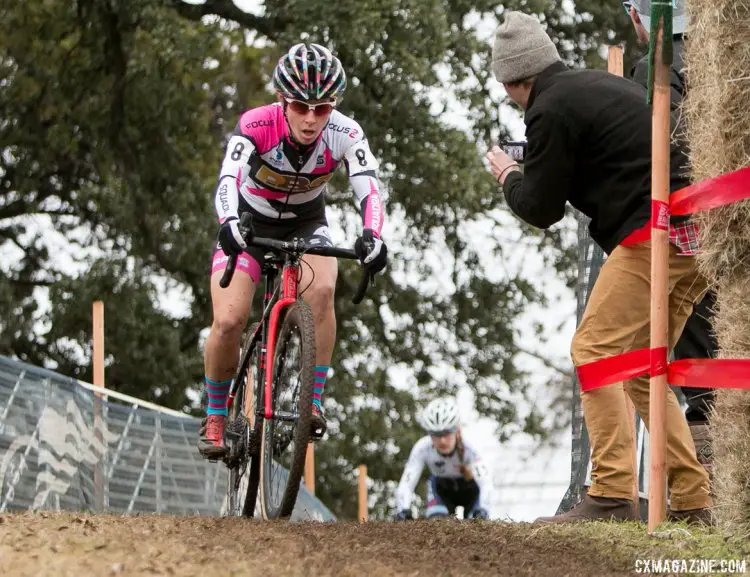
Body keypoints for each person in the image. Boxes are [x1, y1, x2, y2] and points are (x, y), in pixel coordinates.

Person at [485, 11, 712, 524]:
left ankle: (610, 492)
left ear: (510, 82)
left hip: (656, 229)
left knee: (594, 349)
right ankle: (695, 500)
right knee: (636, 364)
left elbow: (540, 209)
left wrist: (509, 175)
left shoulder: (549, 110)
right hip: (700, 233)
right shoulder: (592, 87)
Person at [198, 43, 388, 459]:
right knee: (229, 319)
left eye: (321, 108)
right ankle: (215, 413)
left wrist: (373, 234)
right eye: (300, 106)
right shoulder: (256, 123)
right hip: (249, 221)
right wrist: (228, 223)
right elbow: (227, 179)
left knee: (321, 291)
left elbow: (369, 186)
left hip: (306, 223)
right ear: (283, 100)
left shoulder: (345, 132)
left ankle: (312, 400)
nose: (310, 118)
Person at [623, 0, 717, 480]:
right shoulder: (718, 54)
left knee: (696, 347)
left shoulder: (655, 66)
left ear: (639, 16)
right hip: (729, 215)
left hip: (691, 221)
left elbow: (663, 147)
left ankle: (709, 480)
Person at [394, 397, 492, 521]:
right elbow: (407, 483)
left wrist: (484, 509)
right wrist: (403, 509)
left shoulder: (471, 447)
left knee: (478, 526)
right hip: (441, 489)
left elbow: (486, 484)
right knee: (436, 527)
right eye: (436, 435)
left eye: (446, 433)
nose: (442, 441)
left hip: (472, 491)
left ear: (456, 431)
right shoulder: (422, 447)